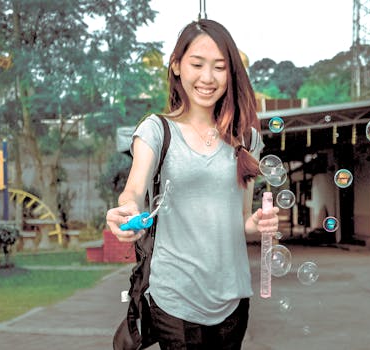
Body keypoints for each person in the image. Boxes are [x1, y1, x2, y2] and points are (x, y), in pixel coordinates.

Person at [106, 19, 279, 349]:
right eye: (197, 64)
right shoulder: (157, 130)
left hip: (233, 297)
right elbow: (134, 190)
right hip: (175, 296)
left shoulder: (247, 139)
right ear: (176, 66)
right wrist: (126, 210)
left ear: (231, 73)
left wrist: (256, 224)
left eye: (219, 67)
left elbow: (241, 219)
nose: (208, 78)